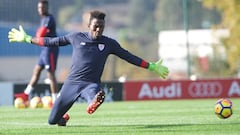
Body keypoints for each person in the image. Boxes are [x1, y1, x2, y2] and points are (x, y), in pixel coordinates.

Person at [8, 10, 169, 126]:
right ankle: (63, 118)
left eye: (102, 27)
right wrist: (28, 38)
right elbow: (51, 41)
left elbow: (129, 56)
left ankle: (94, 101)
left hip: (91, 83)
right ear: (89, 25)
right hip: (71, 83)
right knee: (52, 121)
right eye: (96, 26)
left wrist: (151, 66)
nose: (99, 30)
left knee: (96, 94)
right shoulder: (75, 37)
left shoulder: (109, 43)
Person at [14, 0, 59, 103]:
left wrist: (30, 37)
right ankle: (26, 94)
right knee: (37, 71)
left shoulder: (49, 19)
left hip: (50, 49)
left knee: (51, 74)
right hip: (44, 50)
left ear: (47, 7)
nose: (41, 9)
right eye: (39, 8)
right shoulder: (43, 19)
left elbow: (40, 34)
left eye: (43, 7)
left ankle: (55, 101)